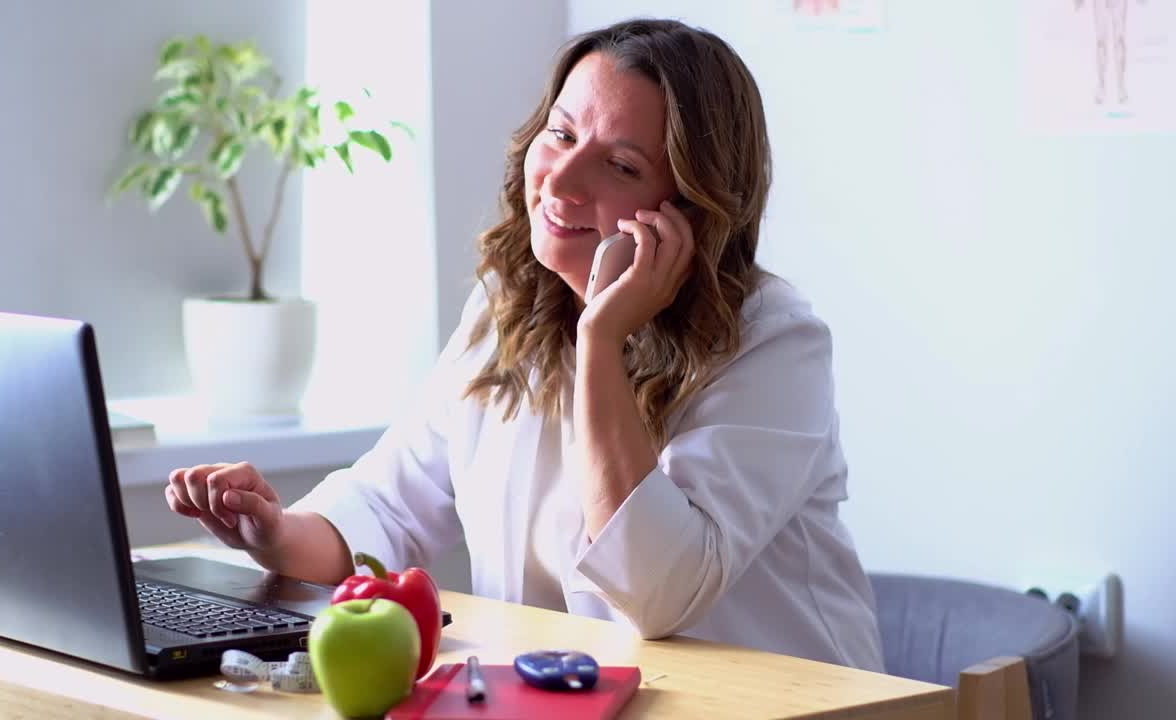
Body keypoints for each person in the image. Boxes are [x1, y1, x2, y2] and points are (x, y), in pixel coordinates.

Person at [165, 18, 885, 672]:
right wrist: (271, 530)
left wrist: (600, 338)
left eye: (622, 165)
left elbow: (661, 592)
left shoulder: (775, 342)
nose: (563, 182)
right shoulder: (504, 308)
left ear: (693, 207)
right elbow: (387, 507)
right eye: (562, 135)